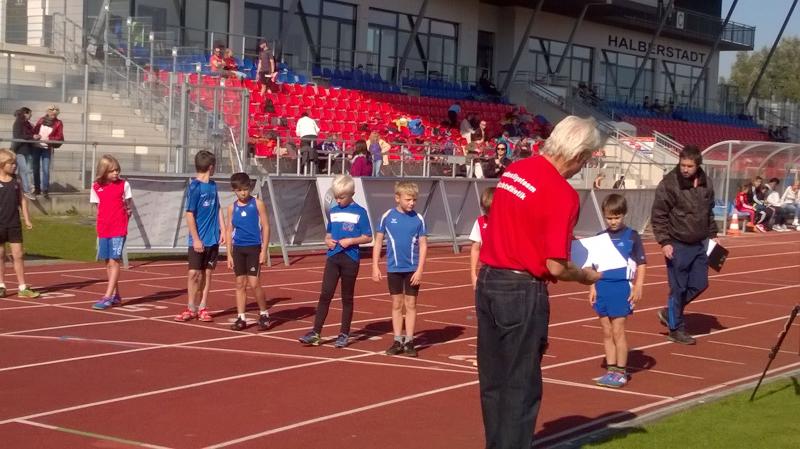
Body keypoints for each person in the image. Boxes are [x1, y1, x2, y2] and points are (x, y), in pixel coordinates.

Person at [476, 115, 603, 449]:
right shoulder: (563, 193)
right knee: (520, 384)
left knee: (493, 381)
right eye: (585, 160)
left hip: (489, 278)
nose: (582, 167)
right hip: (521, 289)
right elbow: (556, 266)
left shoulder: (516, 170)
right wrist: (585, 276)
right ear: (579, 155)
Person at [652, 145, 718, 345]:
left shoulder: (706, 183)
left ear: (698, 165)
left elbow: (709, 211)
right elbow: (659, 215)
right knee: (678, 288)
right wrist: (664, 242)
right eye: (683, 165)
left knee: (700, 284)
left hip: (700, 243)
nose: (685, 169)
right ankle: (675, 329)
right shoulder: (669, 184)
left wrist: (713, 235)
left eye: (690, 166)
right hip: (677, 244)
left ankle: (669, 312)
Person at [299, 175, 373, 348]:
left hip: (350, 258)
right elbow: (329, 234)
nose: (338, 200)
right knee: (325, 294)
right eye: (336, 197)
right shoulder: (333, 211)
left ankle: (344, 333)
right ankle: (316, 332)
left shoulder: (360, 212)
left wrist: (351, 241)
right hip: (333, 257)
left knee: (346, 297)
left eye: (342, 197)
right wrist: (327, 240)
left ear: (352, 194)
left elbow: (368, 236)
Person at [589, 194, 647, 388]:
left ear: (624, 215)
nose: (613, 221)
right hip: (602, 287)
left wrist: (638, 286)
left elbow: (641, 263)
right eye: (609, 218)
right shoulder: (600, 237)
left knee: (618, 330)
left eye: (617, 217)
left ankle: (621, 372)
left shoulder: (632, 236)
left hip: (621, 287)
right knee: (607, 331)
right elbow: (592, 265)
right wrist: (592, 287)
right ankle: (611, 370)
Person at [372, 181, 428, 357]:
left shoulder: (418, 219)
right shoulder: (387, 216)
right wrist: (375, 266)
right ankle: (397, 340)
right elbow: (378, 242)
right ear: (398, 198)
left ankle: (409, 341)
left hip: (412, 269)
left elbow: (423, 245)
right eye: (408, 199)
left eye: (414, 200)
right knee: (397, 304)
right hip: (394, 268)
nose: (412, 203)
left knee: (411, 304)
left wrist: (420, 270)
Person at [175, 150, 225, 323]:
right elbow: (190, 214)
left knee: (207, 274)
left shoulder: (213, 185)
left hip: (212, 238)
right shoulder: (194, 187)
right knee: (193, 273)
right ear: (211, 167)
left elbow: (217, 207)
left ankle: (203, 306)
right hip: (198, 239)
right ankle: (191, 306)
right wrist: (196, 238)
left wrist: (223, 229)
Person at [226, 172, 271, 331]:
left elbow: (266, 226)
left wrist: (264, 250)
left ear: (250, 188)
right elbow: (229, 230)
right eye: (239, 190)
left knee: (254, 283)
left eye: (245, 189)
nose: (243, 193)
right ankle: (241, 317)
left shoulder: (257, 204)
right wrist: (229, 254)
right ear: (234, 190)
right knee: (240, 283)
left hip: (254, 248)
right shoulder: (231, 208)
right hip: (238, 249)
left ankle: (264, 313)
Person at [90, 155, 133, 310]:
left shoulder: (124, 185)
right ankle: (116, 295)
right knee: (108, 262)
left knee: (114, 261)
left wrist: (126, 213)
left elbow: (129, 205)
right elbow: (98, 208)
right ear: (104, 171)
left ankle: (107, 296)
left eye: (117, 170)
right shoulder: (96, 187)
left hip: (118, 228)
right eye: (112, 170)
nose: (116, 173)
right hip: (104, 228)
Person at [0, 149, 39, 299]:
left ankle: (22, 287)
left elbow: (22, 200)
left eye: (15, 163)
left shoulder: (16, 180)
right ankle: (1, 285)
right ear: (2, 164)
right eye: (11, 163)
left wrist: (27, 219)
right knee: (1, 254)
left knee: (18, 255)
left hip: (14, 223)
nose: (14, 166)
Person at [32, 105, 64, 199]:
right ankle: (37, 189)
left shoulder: (58, 123)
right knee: (35, 168)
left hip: (47, 148)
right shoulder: (41, 120)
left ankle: (45, 190)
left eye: (55, 114)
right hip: (36, 147)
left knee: (45, 169)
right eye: (51, 113)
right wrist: (35, 136)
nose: (53, 115)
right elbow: (35, 131)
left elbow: (59, 136)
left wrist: (49, 139)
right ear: (48, 112)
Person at [469, 187, 494, 289]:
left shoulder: (507, 221)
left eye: (490, 210)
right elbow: (475, 249)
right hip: (486, 270)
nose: (487, 213)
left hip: (504, 271)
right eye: (485, 210)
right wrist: (473, 274)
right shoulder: (480, 222)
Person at [11, 107, 38, 200]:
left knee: (28, 170)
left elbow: (30, 134)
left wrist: (34, 134)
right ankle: (27, 190)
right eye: (30, 113)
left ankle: (29, 188)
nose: (31, 115)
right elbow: (18, 136)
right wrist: (32, 136)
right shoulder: (18, 123)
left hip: (28, 150)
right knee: (24, 170)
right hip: (20, 150)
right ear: (25, 113)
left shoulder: (27, 124)